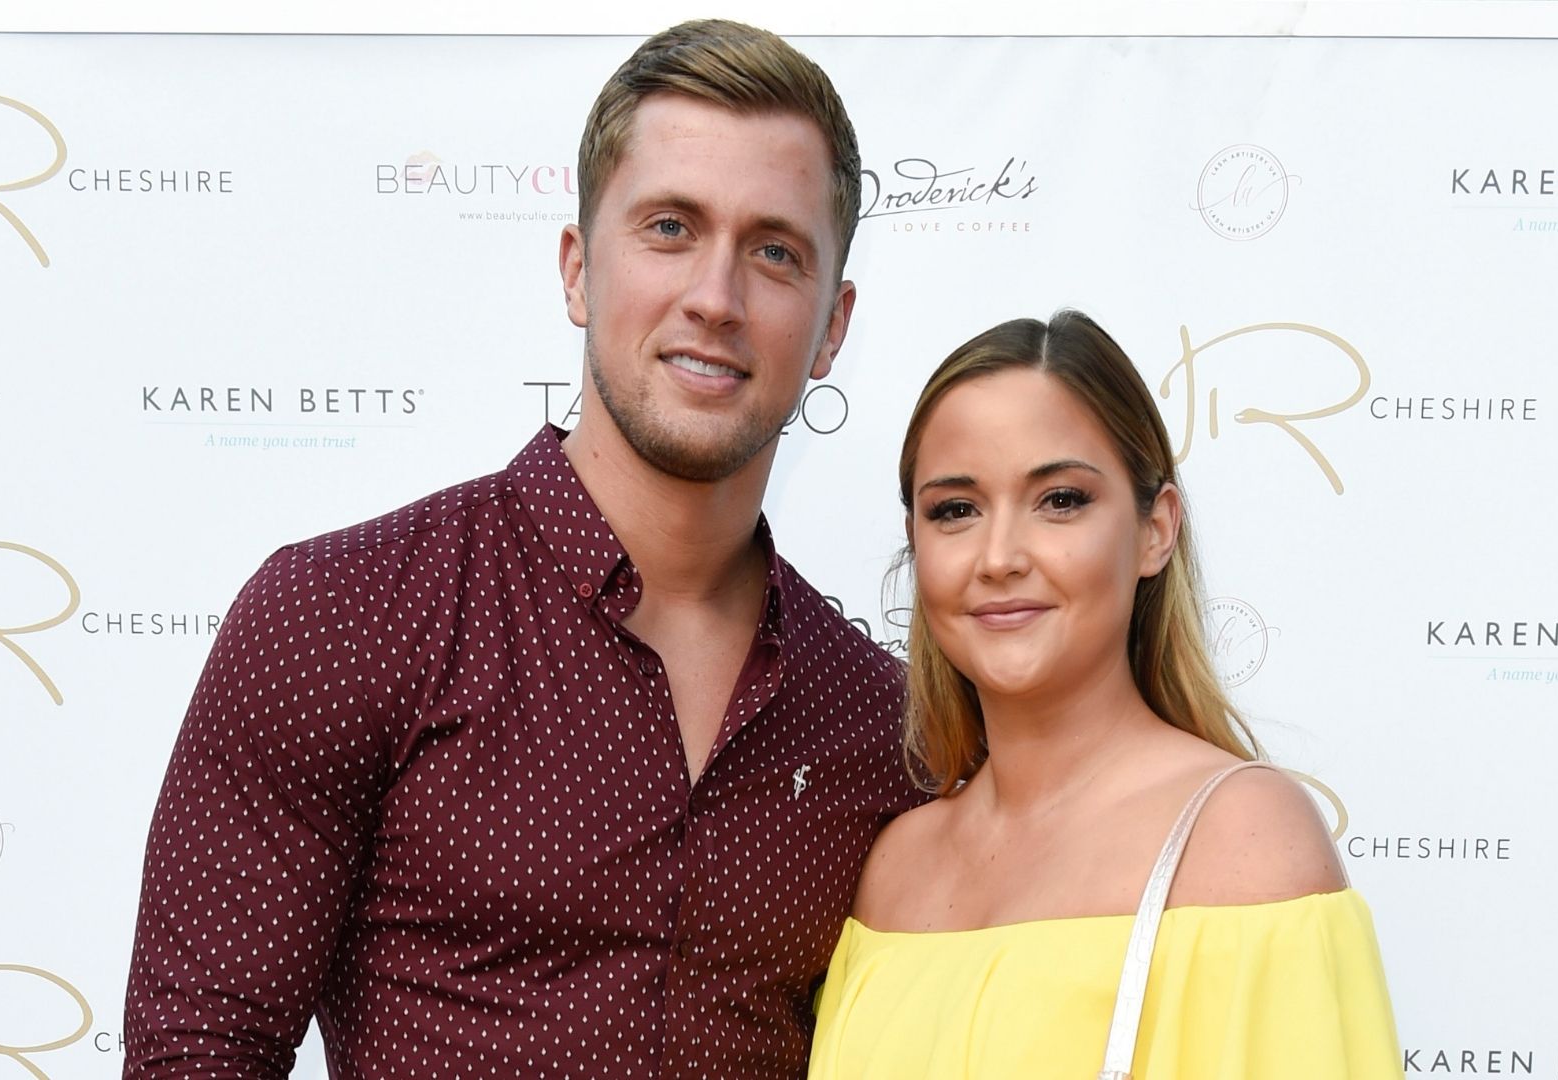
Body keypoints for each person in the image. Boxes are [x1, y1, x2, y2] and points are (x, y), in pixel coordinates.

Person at [122, 21, 921, 1080]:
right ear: (579, 270)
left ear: (832, 327)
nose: (716, 298)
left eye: (775, 251)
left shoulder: (882, 720)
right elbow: (199, 1053)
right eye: (671, 228)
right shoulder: (340, 616)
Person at [806, 311, 1401, 1079]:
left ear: (1156, 530)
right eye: (956, 510)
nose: (999, 557)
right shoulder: (893, 870)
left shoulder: (1244, 841)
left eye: (1060, 500)